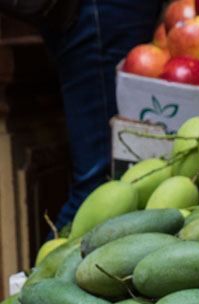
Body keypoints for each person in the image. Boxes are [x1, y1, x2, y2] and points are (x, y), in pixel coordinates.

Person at [1, 0, 162, 227]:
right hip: (100, 11)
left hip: (106, 14)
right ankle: (52, 263)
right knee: (101, 182)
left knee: (106, 179)